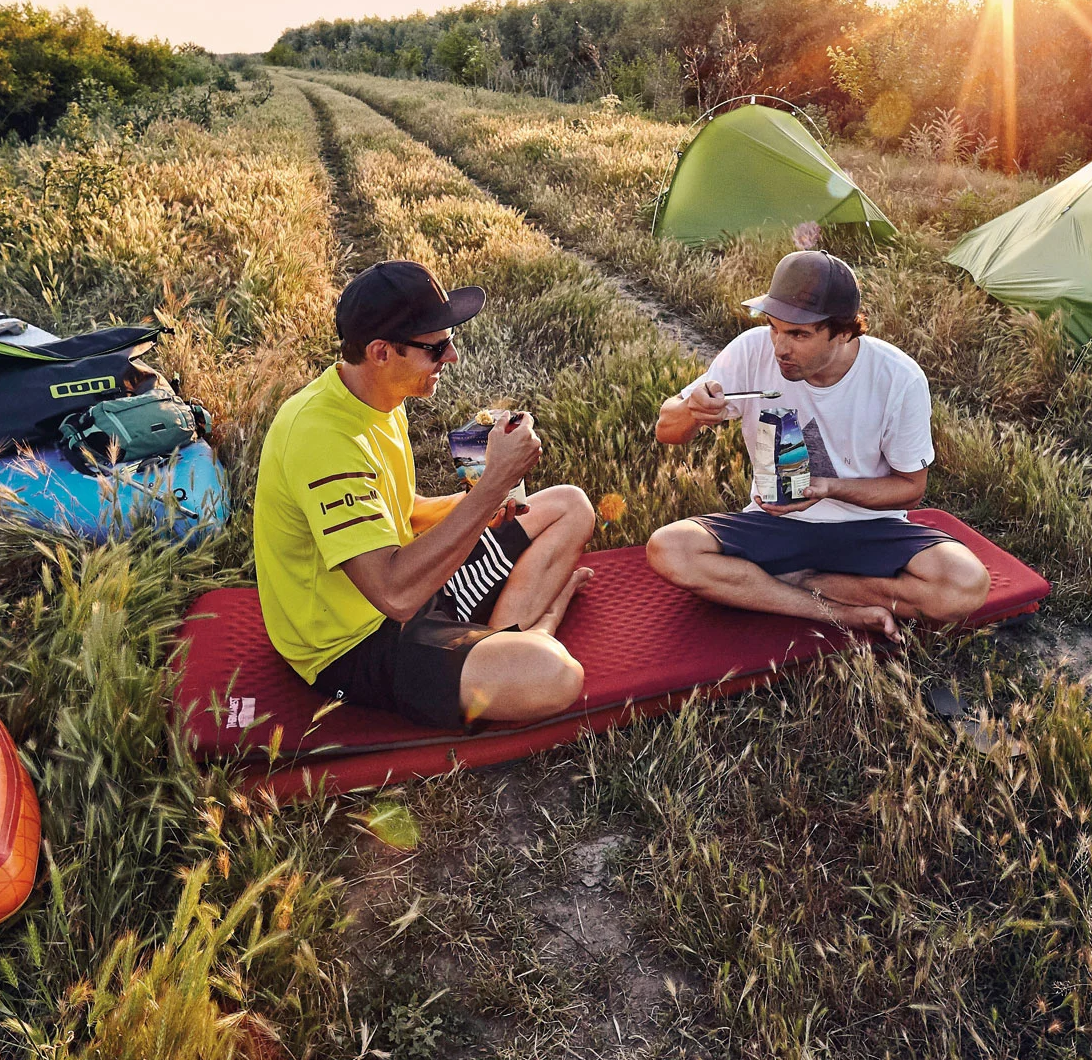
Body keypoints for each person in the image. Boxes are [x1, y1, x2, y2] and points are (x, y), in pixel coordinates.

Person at [254, 260, 595, 729]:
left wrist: (482, 503)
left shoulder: (380, 398)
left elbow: (403, 510)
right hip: (358, 642)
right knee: (555, 675)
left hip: (417, 583)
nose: (451, 357)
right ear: (380, 351)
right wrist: (493, 482)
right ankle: (529, 633)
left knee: (570, 505)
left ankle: (492, 642)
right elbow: (394, 596)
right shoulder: (322, 439)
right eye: (436, 348)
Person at [648, 250, 989, 638]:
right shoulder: (750, 350)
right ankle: (835, 610)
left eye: (799, 334)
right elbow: (666, 430)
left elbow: (911, 489)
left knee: (964, 585)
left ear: (844, 332)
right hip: (774, 523)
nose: (779, 347)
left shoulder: (898, 378)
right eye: (774, 327)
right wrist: (692, 409)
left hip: (868, 529)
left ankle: (795, 582)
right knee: (669, 548)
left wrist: (830, 489)